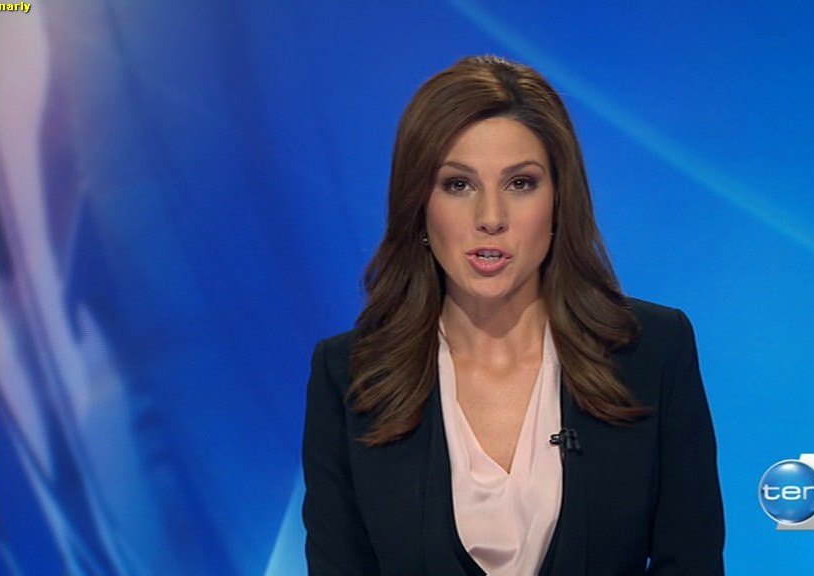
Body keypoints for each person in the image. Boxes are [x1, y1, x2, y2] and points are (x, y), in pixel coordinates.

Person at [302, 55, 724, 575]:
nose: (491, 218)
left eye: (520, 183)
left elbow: (691, 562)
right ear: (419, 205)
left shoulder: (653, 351)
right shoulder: (350, 377)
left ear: (560, 199)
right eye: (458, 184)